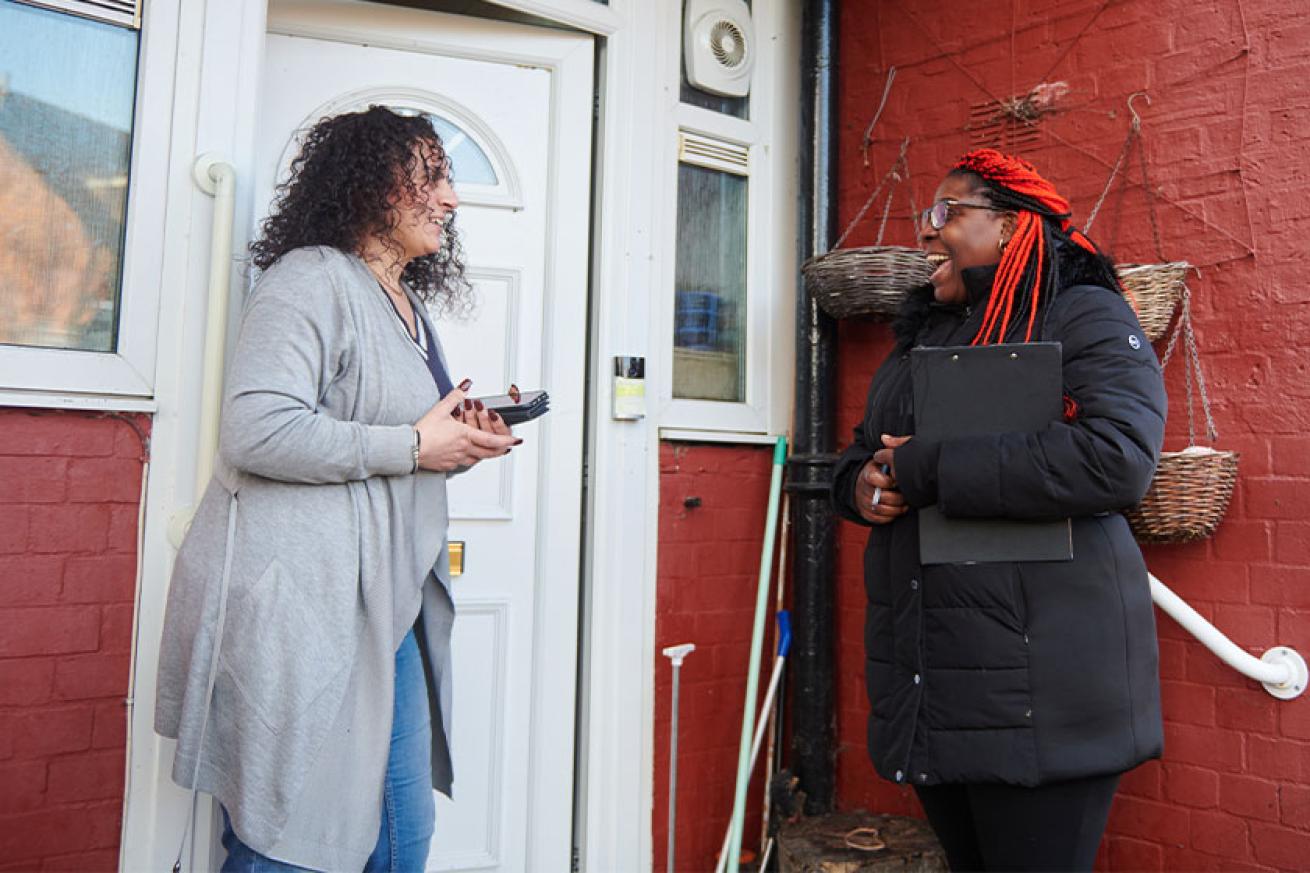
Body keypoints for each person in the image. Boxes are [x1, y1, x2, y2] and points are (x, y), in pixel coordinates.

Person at [155, 106, 520, 872]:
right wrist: (416, 442)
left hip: (387, 607)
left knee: (397, 841)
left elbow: (394, 442)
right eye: (433, 175)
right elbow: (256, 429)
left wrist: (456, 441)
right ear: (374, 185)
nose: (452, 199)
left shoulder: (407, 305)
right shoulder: (311, 278)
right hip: (307, 613)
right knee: (291, 842)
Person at [831, 148, 1167, 871]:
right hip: (937, 685)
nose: (927, 232)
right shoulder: (922, 335)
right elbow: (866, 451)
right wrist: (861, 486)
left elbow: (1117, 457)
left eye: (946, 212)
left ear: (1013, 229)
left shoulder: (1085, 313)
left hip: (1040, 693)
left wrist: (926, 468)